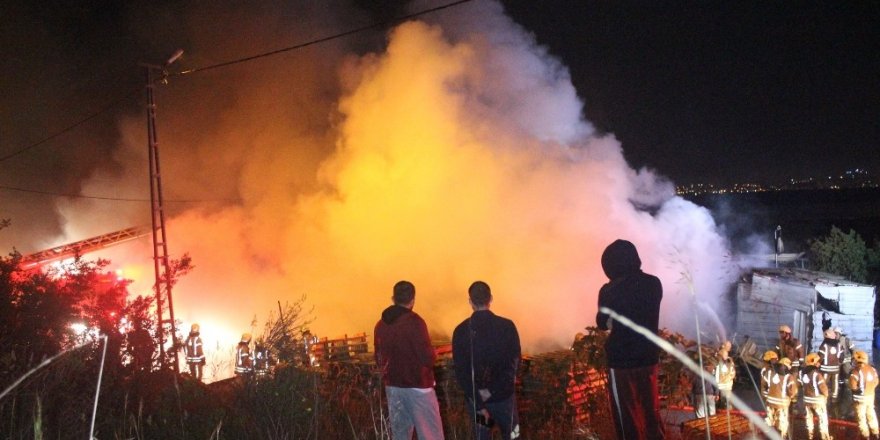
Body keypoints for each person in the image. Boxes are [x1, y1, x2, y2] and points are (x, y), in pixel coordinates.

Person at [595, 239, 665, 440]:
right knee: (651, 413)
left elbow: (602, 323)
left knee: (627, 419)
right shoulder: (653, 283)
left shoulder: (608, 291)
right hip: (648, 359)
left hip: (621, 363)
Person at [374, 280, 444, 440]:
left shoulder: (380, 325)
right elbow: (427, 358)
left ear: (393, 298)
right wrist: (434, 352)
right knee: (431, 435)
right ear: (412, 300)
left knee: (400, 435)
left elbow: (378, 358)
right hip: (418, 389)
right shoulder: (415, 322)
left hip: (392, 388)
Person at [452, 281, 521, 440]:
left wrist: (479, 402)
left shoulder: (461, 331)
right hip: (504, 400)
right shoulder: (507, 326)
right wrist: (493, 391)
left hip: (479, 402)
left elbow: (461, 373)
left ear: (470, 302)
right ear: (491, 298)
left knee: (483, 436)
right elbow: (514, 365)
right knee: (513, 435)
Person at [849, 350, 879, 439]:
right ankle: (876, 433)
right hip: (870, 396)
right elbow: (876, 381)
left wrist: (856, 390)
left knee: (861, 417)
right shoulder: (872, 369)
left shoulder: (855, 372)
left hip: (860, 398)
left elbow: (853, 385)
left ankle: (866, 436)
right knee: (871, 414)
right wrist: (870, 389)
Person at [801, 353, 831, 440]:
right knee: (822, 419)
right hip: (817, 400)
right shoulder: (817, 374)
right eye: (818, 362)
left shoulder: (802, 373)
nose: (819, 364)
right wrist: (826, 396)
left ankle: (810, 436)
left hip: (807, 400)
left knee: (809, 419)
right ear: (813, 362)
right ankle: (824, 437)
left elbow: (800, 384)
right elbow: (823, 389)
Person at [765, 357, 797, 438]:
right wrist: (792, 398)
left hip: (770, 402)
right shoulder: (789, 377)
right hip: (782, 404)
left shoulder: (771, 373)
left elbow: (765, 386)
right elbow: (792, 392)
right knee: (782, 424)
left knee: (770, 422)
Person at [818, 328, 843, 414]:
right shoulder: (838, 344)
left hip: (825, 369)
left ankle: (823, 398)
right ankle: (834, 400)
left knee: (823, 383)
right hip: (835, 369)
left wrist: (817, 364)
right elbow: (841, 356)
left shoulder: (824, 345)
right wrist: (839, 363)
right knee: (835, 384)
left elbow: (820, 357)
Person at [715, 341, 736, 410]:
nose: (729, 348)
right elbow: (732, 374)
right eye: (728, 346)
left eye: (730, 346)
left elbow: (733, 373)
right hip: (724, 388)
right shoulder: (722, 363)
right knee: (725, 406)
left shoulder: (728, 361)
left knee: (722, 406)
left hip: (724, 387)